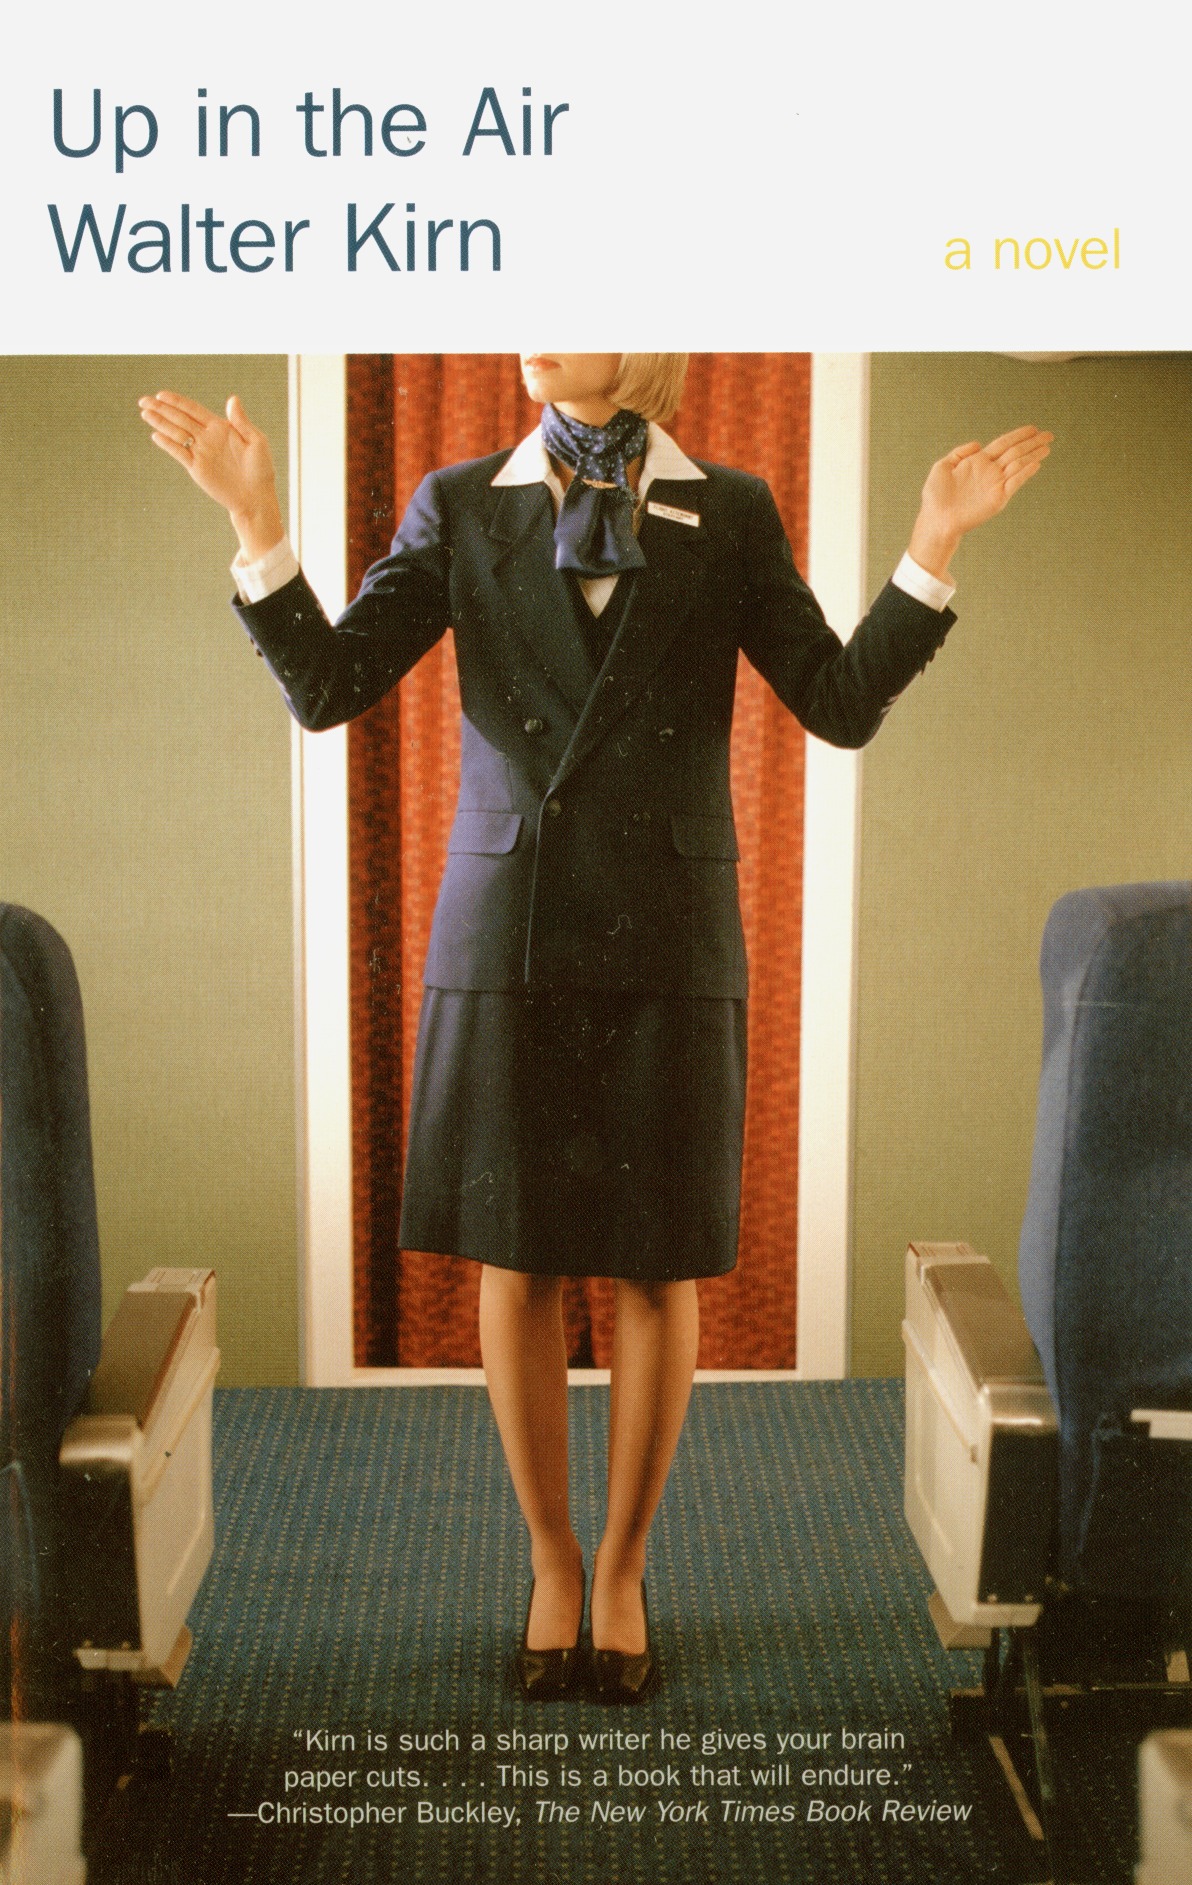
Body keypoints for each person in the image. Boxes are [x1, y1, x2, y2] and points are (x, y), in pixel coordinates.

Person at [139, 355, 1051, 1703]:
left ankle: (622, 1566)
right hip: (506, 925)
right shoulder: (461, 502)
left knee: (653, 1266)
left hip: (668, 929)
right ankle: (551, 1559)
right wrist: (254, 522)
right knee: (517, 1259)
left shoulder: (731, 509)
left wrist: (934, 542)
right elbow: (328, 687)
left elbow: (839, 703)